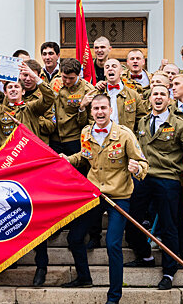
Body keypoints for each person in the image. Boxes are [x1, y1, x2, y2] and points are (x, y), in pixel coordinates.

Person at [125, 84, 183, 290]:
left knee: (169, 227)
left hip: (168, 180)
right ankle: (145, 256)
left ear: (169, 99)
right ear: (149, 99)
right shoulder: (142, 122)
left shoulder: (178, 124)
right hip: (143, 178)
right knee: (132, 220)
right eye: (155, 94)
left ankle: (169, 270)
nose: (158, 97)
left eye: (162, 94)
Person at [61, 93, 148, 304]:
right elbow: (84, 156)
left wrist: (137, 168)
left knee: (113, 245)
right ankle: (84, 278)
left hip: (119, 196)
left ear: (110, 110)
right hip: (94, 194)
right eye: (96, 109)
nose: (100, 112)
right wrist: (67, 159)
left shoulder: (125, 134)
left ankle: (114, 296)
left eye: (103, 108)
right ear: (91, 112)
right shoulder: (86, 132)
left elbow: (143, 163)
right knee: (74, 238)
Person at [86, 58, 147, 250]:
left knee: (129, 198)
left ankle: (131, 240)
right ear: (103, 72)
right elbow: (87, 121)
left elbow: (142, 118)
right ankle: (94, 236)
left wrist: (134, 143)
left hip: (126, 148)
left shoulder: (132, 94)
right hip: (100, 149)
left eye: (114, 66)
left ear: (122, 70)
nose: (110, 69)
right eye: (107, 67)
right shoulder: (96, 94)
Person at [0, 64, 55, 147]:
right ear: (5, 92)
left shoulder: (31, 108)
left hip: (28, 153)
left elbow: (49, 98)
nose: (13, 89)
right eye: (10, 87)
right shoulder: (0, 110)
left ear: (23, 91)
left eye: (16, 87)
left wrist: (34, 77)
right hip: (9, 156)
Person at [49, 58, 95, 159]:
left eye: (71, 78)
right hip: (54, 138)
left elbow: (88, 122)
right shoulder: (55, 83)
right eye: (64, 77)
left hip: (74, 139)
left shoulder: (88, 90)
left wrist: (82, 107)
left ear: (79, 75)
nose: (67, 81)